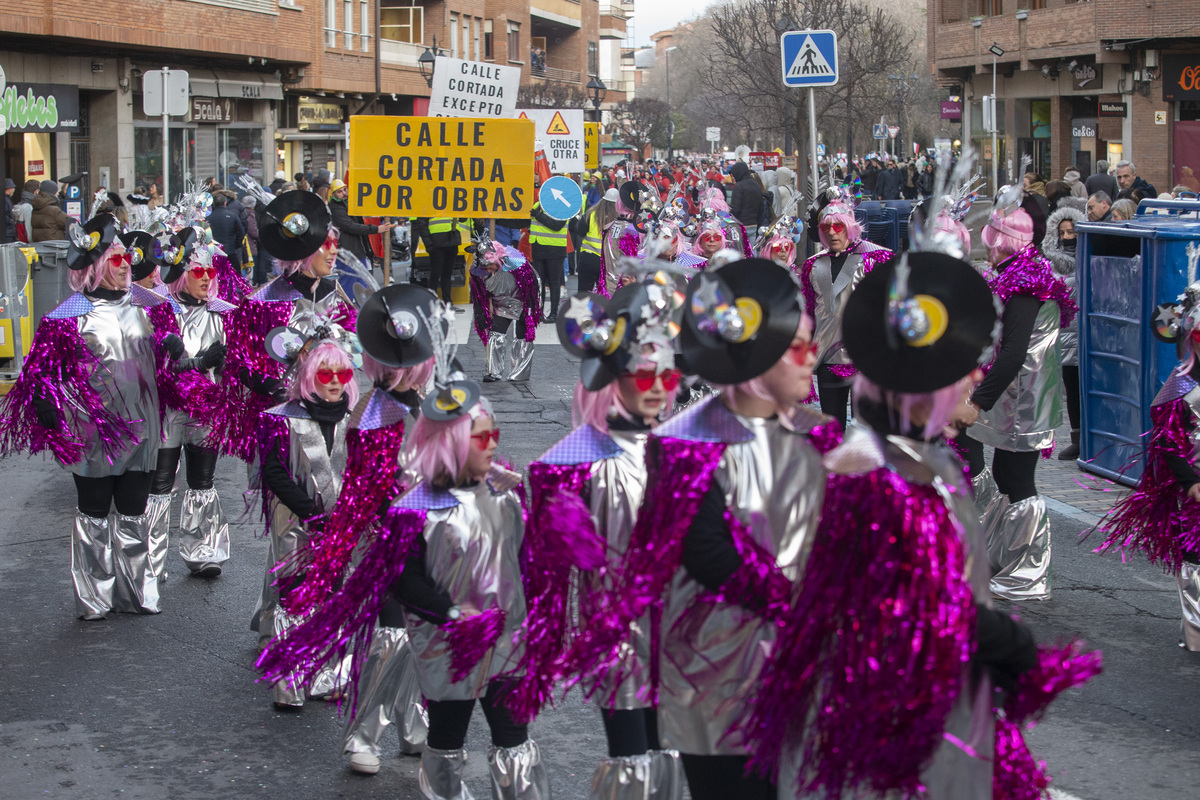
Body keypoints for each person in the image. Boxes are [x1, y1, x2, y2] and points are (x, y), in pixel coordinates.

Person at [747, 248, 1039, 800]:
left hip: (930, 712)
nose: (978, 375)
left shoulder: (921, 459)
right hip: (888, 729)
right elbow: (913, 611)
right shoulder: (882, 476)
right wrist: (1009, 643)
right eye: (963, 365)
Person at [568, 258, 831, 800]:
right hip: (695, 654)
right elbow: (704, 547)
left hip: (783, 661)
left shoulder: (819, 438)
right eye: (795, 346)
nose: (661, 387)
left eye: (667, 374)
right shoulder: (673, 442)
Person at [260, 328, 551, 799]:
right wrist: (389, 533)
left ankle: (421, 730)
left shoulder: (430, 402)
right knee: (394, 641)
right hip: (397, 540)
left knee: (434, 650)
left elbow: (474, 457)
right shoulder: (375, 413)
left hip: (455, 538)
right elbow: (364, 488)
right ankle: (364, 735)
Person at [525, 278, 685, 800]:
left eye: (668, 373)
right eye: (645, 374)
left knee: (670, 748)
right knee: (631, 753)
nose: (659, 385)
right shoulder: (586, 451)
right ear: (616, 381)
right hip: (613, 627)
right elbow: (545, 492)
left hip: (677, 625)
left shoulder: (679, 449)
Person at [0, 215, 162, 619]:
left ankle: (136, 593)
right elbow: (39, 373)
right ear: (94, 267)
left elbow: (166, 366)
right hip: (93, 432)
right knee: (93, 511)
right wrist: (48, 412)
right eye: (116, 258)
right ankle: (94, 597)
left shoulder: (150, 307)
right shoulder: (68, 315)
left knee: (133, 510)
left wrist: (178, 354)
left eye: (127, 257)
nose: (126, 264)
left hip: (144, 428)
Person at [953, 198, 1076, 601]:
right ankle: (1006, 561)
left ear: (1005, 242)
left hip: (1026, 401)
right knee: (1008, 477)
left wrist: (978, 401)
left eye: (994, 237)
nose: (988, 245)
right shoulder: (1014, 273)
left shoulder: (1026, 282)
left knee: (1020, 481)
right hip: (1016, 398)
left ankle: (1030, 573)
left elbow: (1013, 351)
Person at [1095, 281, 1200, 650]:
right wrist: (1189, 482)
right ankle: (1198, 632)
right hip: (1196, 487)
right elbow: (1167, 441)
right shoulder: (1180, 386)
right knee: (1196, 555)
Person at [259, 337, 359, 708]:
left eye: (341, 373)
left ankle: (329, 674)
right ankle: (290, 680)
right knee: (295, 597)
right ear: (309, 377)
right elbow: (274, 473)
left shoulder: (358, 421)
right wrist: (313, 513)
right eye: (325, 374)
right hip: (294, 523)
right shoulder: (279, 418)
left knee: (333, 593)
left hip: (340, 527)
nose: (334, 381)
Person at [144, 236, 233, 581]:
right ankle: (149, 560)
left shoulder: (222, 313)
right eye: (199, 271)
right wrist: (197, 361)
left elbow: (233, 364)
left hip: (205, 410)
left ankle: (204, 552)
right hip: (167, 410)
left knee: (202, 480)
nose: (207, 277)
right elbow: (159, 365)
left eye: (211, 270)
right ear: (182, 274)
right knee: (160, 482)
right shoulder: (161, 310)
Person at [797, 188, 893, 423]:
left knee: (866, 433)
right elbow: (809, 312)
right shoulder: (812, 265)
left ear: (849, 226)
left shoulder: (877, 258)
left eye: (838, 226)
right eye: (825, 228)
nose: (832, 233)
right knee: (832, 427)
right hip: (826, 358)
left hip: (865, 359)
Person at [1043, 205, 1086, 462]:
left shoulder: (1089, 254)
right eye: (1063, 232)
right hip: (1066, 331)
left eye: (1072, 231)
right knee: (1071, 386)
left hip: (1088, 331)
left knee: (1086, 387)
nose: (1068, 236)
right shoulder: (1051, 262)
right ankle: (1077, 438)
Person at [468, 235, 540, 383]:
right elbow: (479, 298)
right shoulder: (479, 276)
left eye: (491, 265)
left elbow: (533, 284)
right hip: (501, 306)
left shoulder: (517, 266)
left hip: (522, 304)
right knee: (496, 335)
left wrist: (531, 307)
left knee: (522, 337)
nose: (488, 269)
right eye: (485, 267)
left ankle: (520, 373)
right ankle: (493, 372)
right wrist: (480, 315)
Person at [329, 178, 392, 271]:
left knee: (364, 283)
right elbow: (350, 226)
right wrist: (376, 229)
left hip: (359, 251)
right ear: (333, 194)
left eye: (344, 190)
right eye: (339, 192)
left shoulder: (350, 204)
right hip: (349, 254)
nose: (344, 193)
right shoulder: (335, 208)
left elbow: (362, 220)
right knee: (351, 284)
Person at [529, 200, 568, 322]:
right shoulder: (537, 205)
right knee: (539, 283)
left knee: (554, 282)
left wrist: (538, 215)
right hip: (538, 248)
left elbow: (557, 225)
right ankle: (539, 313)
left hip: (555, 249)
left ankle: (554, 314)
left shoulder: (563, 206)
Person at [413, 216, 463, 309]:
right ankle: (431, 303)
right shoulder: (430, 204)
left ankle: (448, 303)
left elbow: (463, 218)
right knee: (436, 274)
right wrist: (428, 244)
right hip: (437, 241)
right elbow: (422, 223)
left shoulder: (452, 202)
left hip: (451, 240)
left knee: (447, 274)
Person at [576, 188, 619, 293]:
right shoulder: (619, 218)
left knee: (583, 296)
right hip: (608, 261)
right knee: (605, 295)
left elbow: (580, 231)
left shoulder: (591, 213)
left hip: (588, 258)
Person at [207, 191, 246, 274]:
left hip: (214, 251)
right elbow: (241, 233)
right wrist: (236, 244)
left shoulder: (208, 218)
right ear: (225, 203)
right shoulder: (233, 216)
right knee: (235, 275)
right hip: (230, 250)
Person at [728, 162, 760, 228]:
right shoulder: (756, 184)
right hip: (754, 222)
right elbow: (760, 205)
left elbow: (735, 209)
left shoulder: (738, 186)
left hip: (742, 223)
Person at [2, 178, 15, 244]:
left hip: (8, 231)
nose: (14, 190)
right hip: (8, 231)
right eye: (13, 188)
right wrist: (12, 221)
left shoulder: (7, 199)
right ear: (9, 188)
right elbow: (4, 214)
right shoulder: (5, 200)